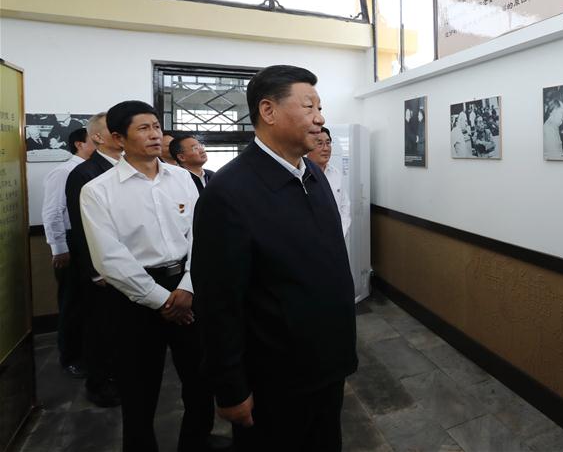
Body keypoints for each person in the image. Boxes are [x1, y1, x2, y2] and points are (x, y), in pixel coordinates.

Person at [191, 65, 357, 451]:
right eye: (309, 106)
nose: (320, 118)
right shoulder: (229, 192)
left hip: (327, 364)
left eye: (320, 106)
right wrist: (231, 389)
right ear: (268, 111)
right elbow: (219, 303)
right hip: (276, 377)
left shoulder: (314, 177)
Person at [80, 101, 214, 452]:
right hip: (133, 299)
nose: (155, 134)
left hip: (187, 286)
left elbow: (201, 237)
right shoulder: (98, 190)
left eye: (156, 126)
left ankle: (196, 443)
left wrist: (186, 288)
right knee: (139, 391)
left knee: (200, 382)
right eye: (143, 128)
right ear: (117, 138)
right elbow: (109, 257)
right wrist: (162, 301)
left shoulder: (182, 178)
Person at [66, 112, 125, 407]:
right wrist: (94, 271)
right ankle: (99, 384)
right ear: (99, 137)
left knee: (121, 330)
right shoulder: (85, 173)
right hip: (100, 269)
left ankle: (120, 377)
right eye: (114, 130)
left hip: (129, 264)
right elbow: (81, 228)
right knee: (100, 328)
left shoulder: (131, 168)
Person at [41, 127, 95, 378]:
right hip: (70, 243)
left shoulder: (93, 170)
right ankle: (71, 357)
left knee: (88, 303)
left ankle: (88, 353)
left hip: (89, 240)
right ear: (78, 144)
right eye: (94, 140)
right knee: (72, 302)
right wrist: (59, 248)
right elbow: (52, 212)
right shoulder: (64, 171)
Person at [307, 126, 351, 237]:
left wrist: (341, 232)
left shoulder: (336, 174)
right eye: (320, 143)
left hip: (336, 238)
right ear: (309, 146)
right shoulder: (301, 174)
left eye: (328, 143)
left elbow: (345, 206)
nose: (326, 148)